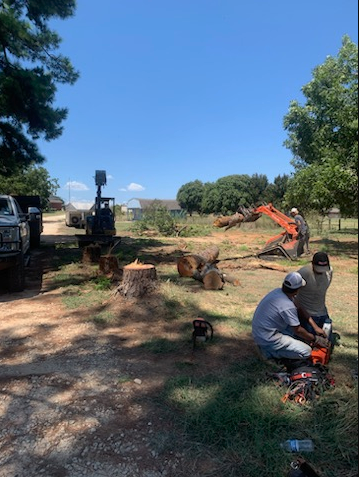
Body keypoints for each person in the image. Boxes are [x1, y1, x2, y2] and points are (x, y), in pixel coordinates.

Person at [252, 272, 330, 366]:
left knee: (299, 337)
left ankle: (270, 348)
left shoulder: (278, 292)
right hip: (268, 338)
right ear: (297, 290)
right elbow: (298, 330)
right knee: (306, 352)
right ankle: (269, 353)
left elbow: (300, 308)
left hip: (262, 332)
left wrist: (315, 327)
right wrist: (315, 339)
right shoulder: (287, 306)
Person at [295, 252, 333, 341]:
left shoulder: (329, 272)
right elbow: (291, 295)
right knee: (310, 342)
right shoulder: (303, 273)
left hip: (322, 312)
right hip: (306, 314)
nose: (321, 272)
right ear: (312, 264)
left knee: (327, 341)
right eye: (318, 269)